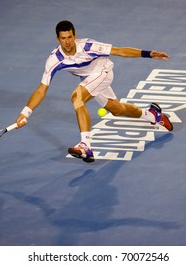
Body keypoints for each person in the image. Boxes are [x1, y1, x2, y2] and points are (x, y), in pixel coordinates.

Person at [16, 20, 172, 163]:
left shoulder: (89, 46)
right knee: (116, 109)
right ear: (58, 39)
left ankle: (85, 145)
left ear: (74, 35)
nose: (68, 41)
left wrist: (148, 54)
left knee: (77, 98)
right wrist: (25, 113)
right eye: (63, 38)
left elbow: (119, 51)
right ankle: (153, 115)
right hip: (88, 79)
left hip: (103, 71)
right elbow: (42, 89)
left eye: (70, 37)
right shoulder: (54, 59)